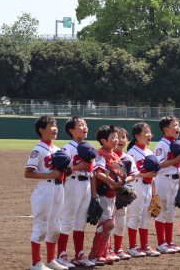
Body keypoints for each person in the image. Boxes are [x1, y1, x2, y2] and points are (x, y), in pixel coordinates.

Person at [25, 116, 68, 270]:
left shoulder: (56, 149)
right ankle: (36, 263)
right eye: (51, 125)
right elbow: (28, 173)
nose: (55, 128)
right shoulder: (38, 149)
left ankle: (51, 260)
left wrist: (66, 172)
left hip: (58, 188)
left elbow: (61, 172)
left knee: (56, 226)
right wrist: (48, 175)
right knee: (41, 226)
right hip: (45, 189)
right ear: (42, 130)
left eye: (56, 125)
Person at [88, 125, 134, 266]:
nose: (116, 140)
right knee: (106, 224)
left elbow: (121, 175)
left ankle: (104, 253)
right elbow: (98, 173)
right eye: (113, 137)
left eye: (117, 137)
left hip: (111, 195)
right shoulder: (100, 154)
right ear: (103, 140)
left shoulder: (115, 156)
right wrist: (114, 183)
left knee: (109, 224)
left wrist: (122, 184)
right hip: (102, 194)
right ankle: (96, 254)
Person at [56, 117, 97, 269]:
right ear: (71, 130)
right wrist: (76, 167)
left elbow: (92, 173)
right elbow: (61, 171)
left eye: (85, 124)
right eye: (80, 125)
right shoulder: (68, 149)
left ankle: (79, 255)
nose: (84, 127)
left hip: (86, 185)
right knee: (68, 219)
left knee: (81, 222)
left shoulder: (89, 147)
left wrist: (94, 196)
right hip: (73, 184)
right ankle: (61, 255)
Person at [126, 122, 159, 258]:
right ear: (137, 136)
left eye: (149, 132)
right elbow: (128, 173)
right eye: (146, 132)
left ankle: (145, 245)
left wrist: (155, 193)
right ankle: (133, 246)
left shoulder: (149, 152)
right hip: (136, 185)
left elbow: (154, 175)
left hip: (148, 187)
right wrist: (145, 175)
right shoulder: (132, 152)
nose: (149, 135)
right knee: (135, 216)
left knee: (146, 216)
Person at [153, 116, 180, 254]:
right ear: (166, 129)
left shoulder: (178, 143)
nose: (178, 127)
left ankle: (169, 241)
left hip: (175, 181)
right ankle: (161, 243)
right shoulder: (162, 145)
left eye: (178, 125)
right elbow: (158, 164)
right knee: (162, 211)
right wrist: (176, 160)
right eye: (175, 125)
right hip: (164, 180)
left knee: (171, 213)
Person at [111, 127, 140, 260]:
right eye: (117, 137)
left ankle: (118, 248)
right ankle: (107, 248)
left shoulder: (128, 158)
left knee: (121, 219)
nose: (120, 140)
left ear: (127, 140)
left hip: (122, 192)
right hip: (109, 193)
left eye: (123, 137)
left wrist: (123, 181)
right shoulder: (108, 156)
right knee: (108, 220)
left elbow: (133, 175)